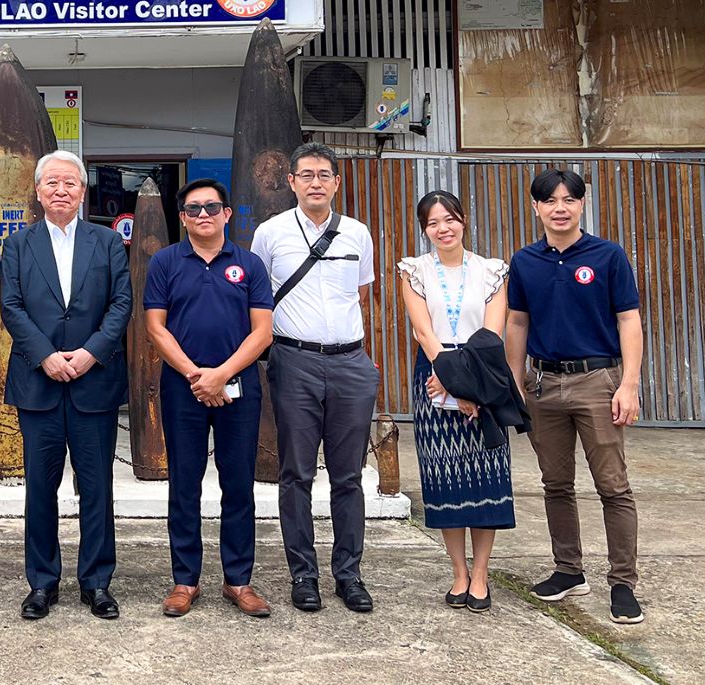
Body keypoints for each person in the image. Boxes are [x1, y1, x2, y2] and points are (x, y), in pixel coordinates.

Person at [506, 168, 646, 625]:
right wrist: (515, 379)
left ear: (582, 204)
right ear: (536, 207)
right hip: (543, 385)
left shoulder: (608, 256)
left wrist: (629, 383)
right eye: (550, 201)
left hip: (597, 382)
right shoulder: (525, 261)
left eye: (569, 199)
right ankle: (568, 570)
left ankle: (622, 582)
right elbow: (518, 323)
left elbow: (628, 319)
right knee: (555, 483)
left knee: (613, 486)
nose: (560, 208)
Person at [1, 150, 132, 620]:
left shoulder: (107, 241)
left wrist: (90, 352)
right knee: (41, 488)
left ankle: (96, 582)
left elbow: (121, 304)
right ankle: (42, 582)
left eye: (70, 183)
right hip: (39, 384)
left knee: (97, 488)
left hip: (93, 381)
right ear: (38, 191)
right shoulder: (18, 245)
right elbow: (11, 307)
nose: (61, 190)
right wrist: (47, 356)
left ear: (82, 191)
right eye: (52, 183)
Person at [250, 142, 379, 614]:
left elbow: (361, 296)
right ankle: (303, 574)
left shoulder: (358, 235)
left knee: (349, 477)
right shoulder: (270, 234)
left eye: (324, 175)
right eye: (306, 175)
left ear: (337, 182)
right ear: (292, 182)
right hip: (294, 361)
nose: (315, 183)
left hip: (350, 362)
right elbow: (257, 299)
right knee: (296, 474)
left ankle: (349, 574)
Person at [143, 178, 275, 618]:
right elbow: (155, 328)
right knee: (184, 484)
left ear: (227, 214)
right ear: (182, 217)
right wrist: (196, 375)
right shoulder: (164, 263)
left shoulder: (249, 264)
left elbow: (262, 331)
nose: (203, 215)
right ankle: (185, 581)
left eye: (212, 207)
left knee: (238, 484)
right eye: (194, 209)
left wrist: (221, 374)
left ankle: (238, 580)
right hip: (184, 387)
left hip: (238, 386)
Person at [397, 190, 513, 613]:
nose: (442, 228)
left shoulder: (493, 270)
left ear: (463, 220)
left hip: (484, 375)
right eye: (432, 223)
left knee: (486, 477)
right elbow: (424, 331)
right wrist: (446, 380)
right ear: (424, 229)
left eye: (449, 219)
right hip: (433, 375)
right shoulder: (414, 270)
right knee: (445, 480)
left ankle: (481, 575)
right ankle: (459, 572)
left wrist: (467, 388)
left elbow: (492, 335)